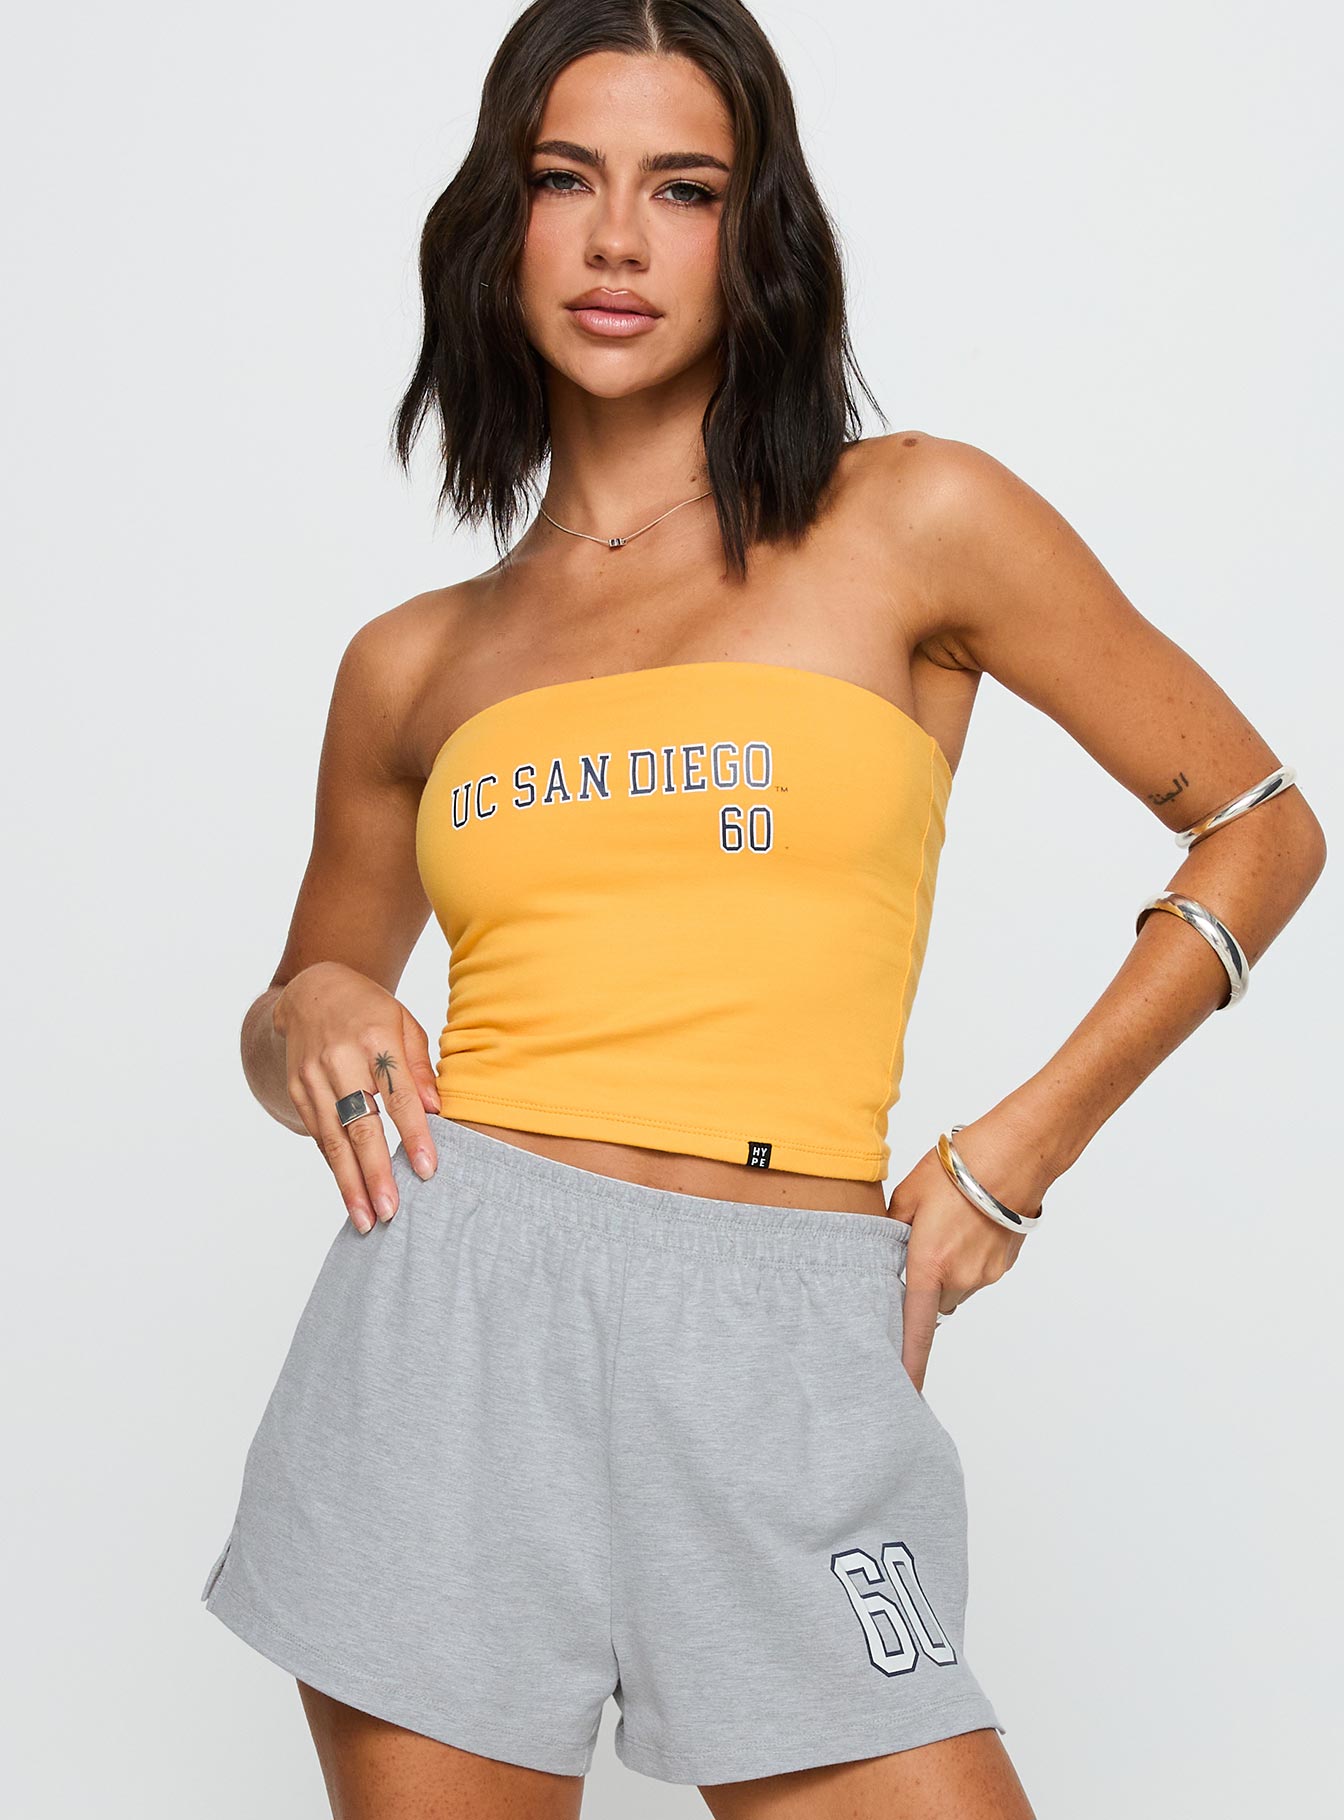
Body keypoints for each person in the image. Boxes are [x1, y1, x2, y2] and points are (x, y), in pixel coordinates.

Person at [197, 2, 1326, 1815]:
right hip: (450, 1328)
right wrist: (308, 1012)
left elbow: (1263, 831)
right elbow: (296, 1019)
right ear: (501, 222)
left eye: (684, 189)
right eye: (565, 179)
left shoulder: (915, 518)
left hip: (788, 1335)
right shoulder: (414, 660)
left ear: (757, 233)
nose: (618, 239)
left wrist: (1009, 1160)